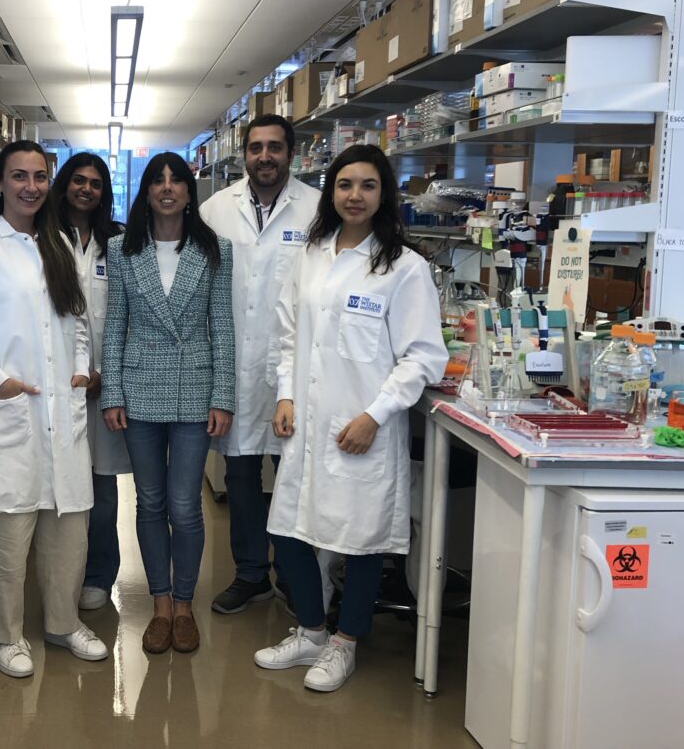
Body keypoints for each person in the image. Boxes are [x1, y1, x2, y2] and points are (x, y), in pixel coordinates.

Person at [254, 144, 447, 692]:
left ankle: (345, 643)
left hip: (360, 427)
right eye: (344, 185)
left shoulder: (403, 267)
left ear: (383, 194)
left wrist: (376, 414)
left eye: (367, 185)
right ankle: (311, 630)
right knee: (289, 528)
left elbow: (424, 356)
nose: (354, 195)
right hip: (306, 421)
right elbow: (289, 333)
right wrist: (286, 396)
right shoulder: (312, 252)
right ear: (330, 192)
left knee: (362, 539)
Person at [0, 140, 106, 679]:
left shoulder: (57, 244)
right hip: (8, 407)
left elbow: (77, 321)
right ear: (0, 183)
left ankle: (61, 622)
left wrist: (81, 369)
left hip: (62, 410)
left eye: (38, 176)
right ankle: (6, 634)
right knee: (6, 535)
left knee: (67, 529)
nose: (30, 186)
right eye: (19, 176)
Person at [101, 152, 236, 655]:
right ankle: (159, 605)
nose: (166, 188)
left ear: (187, 190)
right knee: (150, 503)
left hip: (194, 391)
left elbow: (221, 327)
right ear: (146, 191)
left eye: (175, 180)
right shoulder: (122, 249)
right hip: (138, 390)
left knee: (186, 507)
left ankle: (184, 604)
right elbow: (116, 325)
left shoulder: (214, 249)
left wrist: (223, 396)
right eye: (157, 180)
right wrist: (112, 391)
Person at [199, 114, 320, 615]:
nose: (264, 156)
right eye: (255, 148)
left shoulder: (317, 208)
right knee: (241, 475)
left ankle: (297, 578)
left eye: (274, 147)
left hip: (298, 367)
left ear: (291, 153)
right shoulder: (213, 210)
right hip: (236, 366)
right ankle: (251, 573)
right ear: (243, 154)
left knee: (293, 476)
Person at [51, 155, 130, 612]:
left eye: (96, 184)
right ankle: (61, 574)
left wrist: (108, 376)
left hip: (105, 383)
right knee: (58, 484)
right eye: (78, 181)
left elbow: (130, 314)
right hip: (55, 381)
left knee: (102, 487)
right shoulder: (42, 239)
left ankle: (100, 574)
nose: (86, 189)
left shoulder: (117, 242)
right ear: (64, 186)